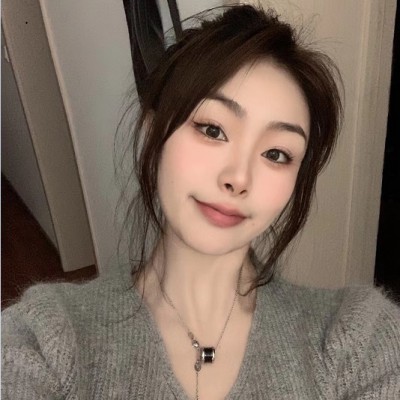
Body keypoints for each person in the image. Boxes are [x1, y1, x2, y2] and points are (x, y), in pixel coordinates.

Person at [2, 5, 400, 400]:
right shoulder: (46, 338)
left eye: (277, 154)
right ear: (153, 130)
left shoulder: (358, 337)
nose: (239, 179)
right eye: (212, 130)